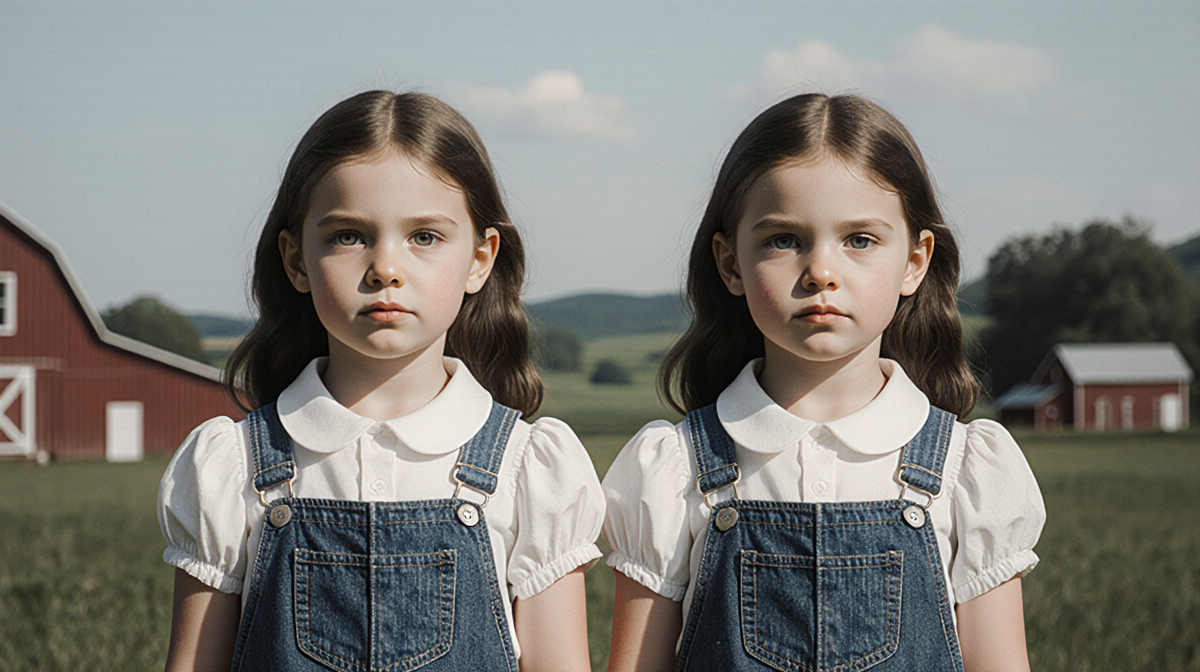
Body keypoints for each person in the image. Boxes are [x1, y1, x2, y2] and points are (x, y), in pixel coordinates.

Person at [158, 90, 603, 672]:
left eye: (424, 236)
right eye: (349, 235)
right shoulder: (232, 466)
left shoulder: (529, 471)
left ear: (480, 258)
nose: (386, 268)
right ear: (295, 260)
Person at [602, 93, 1045, 672]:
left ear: (915, 261)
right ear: (731, 262)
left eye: (860, 239)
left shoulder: (967, 472)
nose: (821, 272)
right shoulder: (674, 468)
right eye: (784, 239)